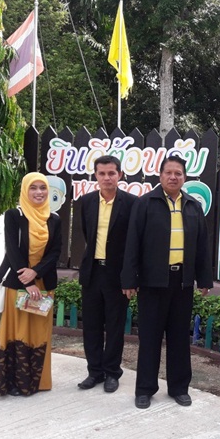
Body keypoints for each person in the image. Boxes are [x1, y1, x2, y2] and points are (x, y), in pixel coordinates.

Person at [121, 155, 213, 409]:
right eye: (169, 172)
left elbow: (202, 245)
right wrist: (129, 279)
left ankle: (179, 388)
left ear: (185, 177)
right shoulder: (145, 204)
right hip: (152, 282)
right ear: (160, 175)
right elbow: (132, 243)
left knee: (179, 337)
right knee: (149, 337)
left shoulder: (193, 206)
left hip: (182, 282)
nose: (173, 177)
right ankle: (145, 389)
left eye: (178, 173)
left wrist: (204, 278)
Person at [0, 172, 62, 396]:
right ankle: (13, 383)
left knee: (39, 333)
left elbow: (55, 252)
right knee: (16, 332)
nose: (39, 192)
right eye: (33, 188)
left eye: (43, 187)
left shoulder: (54, 219)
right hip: (19, 285)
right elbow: (12, 249)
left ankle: (37, 382)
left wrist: (35, 273)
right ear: (25, 190)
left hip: (44, 284)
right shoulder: (14, 215)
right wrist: (27, 282)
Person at [77, 155, 137, 393]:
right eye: (102, 173)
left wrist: (131, 278)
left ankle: (112, 372)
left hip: (117, 275)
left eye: (111, 173)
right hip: (92, 272)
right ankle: (94, 372)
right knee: (91, 326)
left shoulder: (132, 203)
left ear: (119, 175)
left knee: (114, 326)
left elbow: (134, 244)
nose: (107, 178)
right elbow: (87, 234)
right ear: (96, 176)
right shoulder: (87, 202)